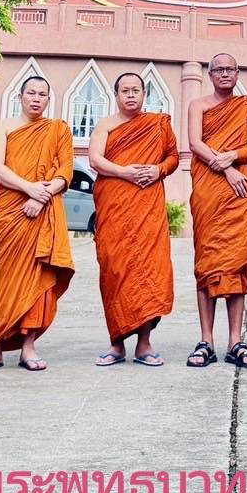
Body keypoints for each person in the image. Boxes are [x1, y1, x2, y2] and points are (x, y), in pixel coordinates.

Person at [0, 75, 75, 375]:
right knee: (5, 277)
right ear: (20, 96)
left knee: (38, 277)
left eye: (43, 94)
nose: (36, 99)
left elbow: (65, 170)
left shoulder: (58, 130)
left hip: (43, 209)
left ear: (48, 100)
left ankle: (28, 346)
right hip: (11, 212)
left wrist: (42, 196)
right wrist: (30, 189)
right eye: (31, 93)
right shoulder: (3, 126)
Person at [88, 71, 179, 366]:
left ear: (144, 95)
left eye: (136, 90)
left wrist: (159, 170)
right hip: (115, 204)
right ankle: (116, 344)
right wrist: (124, 171)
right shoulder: (106, 125)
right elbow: (95, 160)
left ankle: (144, 344)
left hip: (147, 206)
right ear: (116, 95)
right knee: (114, 269)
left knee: (149, 270)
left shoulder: (157, 124)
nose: (131, 95)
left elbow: (173, 156)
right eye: (125, 90)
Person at [185, 53, 247, 370]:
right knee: (207, 264)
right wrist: (226, 167)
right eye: (218, 70)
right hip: (209, 189)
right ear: (209, 74)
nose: (224, 74)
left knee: (237, 263)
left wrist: (232, 157)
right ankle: (207, 341)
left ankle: (236, 341)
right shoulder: (199, 105)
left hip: (240, 191)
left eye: (229, 69)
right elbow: (195, 143)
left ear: (237, 72)